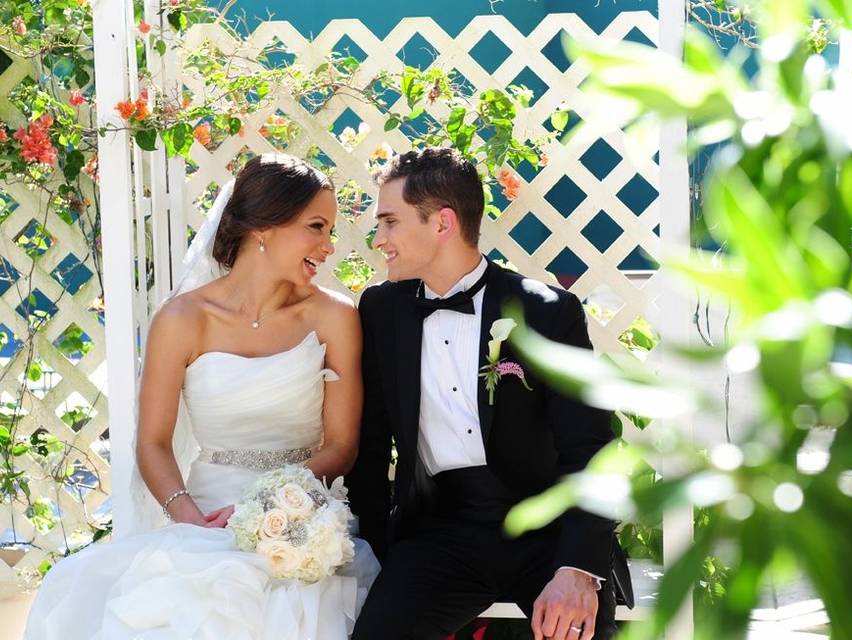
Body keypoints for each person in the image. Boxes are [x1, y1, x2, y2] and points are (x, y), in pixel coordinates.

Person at [24, 153, 379, 640]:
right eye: (317, 227)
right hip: (204, 516)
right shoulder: (182, 319)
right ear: (264, 227)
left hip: (301, 515)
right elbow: (152, 442)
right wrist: (190, 518)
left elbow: (342, 446)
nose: (328, 247)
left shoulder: (336, 316)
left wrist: (274, 503)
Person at [347, 147, 631, 640]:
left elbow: (591, 449)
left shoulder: (546, 311)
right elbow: (369, 450)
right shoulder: (381, 310)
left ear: (442, 223)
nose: (380, 240)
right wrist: (371, 557)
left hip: (548, 532)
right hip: (440, 535)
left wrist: (578, 570)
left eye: (390, 222)